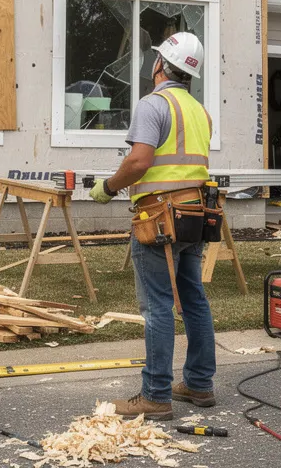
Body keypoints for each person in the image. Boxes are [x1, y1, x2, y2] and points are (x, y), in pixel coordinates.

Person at [89, 31, 213, 421]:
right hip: (195, 215)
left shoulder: (153, 104)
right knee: (193, 299)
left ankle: (156, 396)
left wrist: (108, 187)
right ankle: (198, 384)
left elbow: (140, 161)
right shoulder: (198, 110)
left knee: (158, 305)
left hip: (160, 218)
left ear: (161, 65)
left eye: (155, 59)